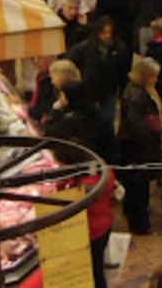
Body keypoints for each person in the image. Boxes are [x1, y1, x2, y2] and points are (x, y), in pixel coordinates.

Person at [43, 123, 116, 288]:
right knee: (97, 269)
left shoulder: (83, 187)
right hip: (104, 225)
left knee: (94, 272)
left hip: (91, 233)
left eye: (60, 164)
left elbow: (66, 204)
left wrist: (60, 185)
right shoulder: (98, 170)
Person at [117, 57, 162, 235]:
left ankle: (132, 213)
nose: (156, 80)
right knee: (139, 188)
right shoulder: (137, 95)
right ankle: (140, 224)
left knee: (135, 185)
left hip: (133, 147)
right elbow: (136, 125)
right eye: (153, 76)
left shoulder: (135, 90)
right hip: (138, 150)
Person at [68, 17, 129, 129]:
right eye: (104, 32)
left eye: (109, 32)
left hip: (109, 92)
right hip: (89, 91)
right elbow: (71, 59)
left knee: (107, 123)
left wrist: (121, 93)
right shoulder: (86, 47)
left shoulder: (120, 48)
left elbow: (123, 72)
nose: (107, 36)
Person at [28, 58, 81, 128]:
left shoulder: (76, 94)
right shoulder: (47, 86)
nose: (52, 81)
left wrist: (54, 111)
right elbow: (36, 110)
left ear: (61, 77)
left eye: (53, 77)